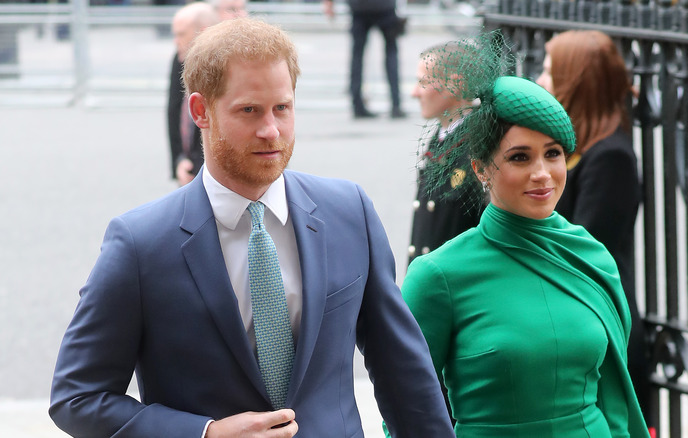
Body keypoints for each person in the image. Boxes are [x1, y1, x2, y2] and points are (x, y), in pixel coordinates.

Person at [50, 17, 456, 438]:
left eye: (282, 108)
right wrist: (204, 433)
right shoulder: (139, 243)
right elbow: (76, 397)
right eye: (249, 110)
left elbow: (404, 374)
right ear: (200, 112)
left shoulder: (349, 212)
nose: (271, 130)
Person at [395, 33, 650, 436]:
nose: (542, 174)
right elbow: (407, 408)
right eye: (519, 157)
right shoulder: (438, 275)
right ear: (480, 169)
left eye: (553, 154)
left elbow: (615, 395)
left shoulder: (592, 256)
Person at [536, 29, 651, 429]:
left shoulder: (611, 156)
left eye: (550, 72)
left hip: (598, 329)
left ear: (576, 80)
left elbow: (583, 249)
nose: (540, 81)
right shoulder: (574, 147)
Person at [407, 42, 485, 273]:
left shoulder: (477, 145)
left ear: (455, 84)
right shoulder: (442, 136)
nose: (414, 92)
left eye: (423, 82)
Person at [323, 0, 406, 119]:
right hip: (384, 7)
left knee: (357, 56)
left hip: (359, 7)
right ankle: (396, 104)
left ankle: (357, 105)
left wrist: (329, 3)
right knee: (391, 52)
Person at [167, 1, 219, 186]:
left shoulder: (226, 66)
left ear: (202, 32)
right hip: (188, 167)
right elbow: (174, 112)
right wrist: (179, 161)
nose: (176, 40)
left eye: (181, 34)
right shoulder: (179, 57)